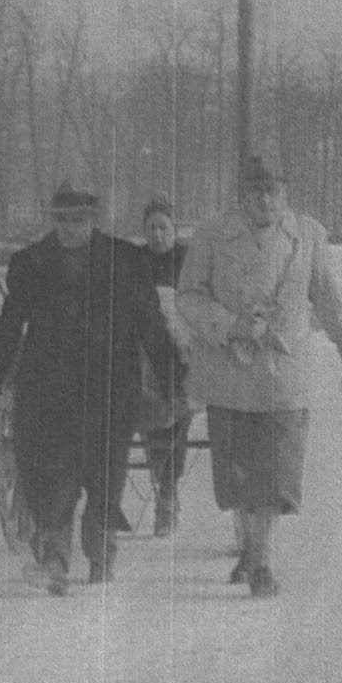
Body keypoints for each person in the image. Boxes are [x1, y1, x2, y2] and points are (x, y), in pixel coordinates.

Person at [0, 181, 176, 595]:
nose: (70, 228)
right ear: (53, 219)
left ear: (94, 218)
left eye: (79, 220)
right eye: (63, 220)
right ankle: (55, 559)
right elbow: (10, 327)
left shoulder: (126, 260)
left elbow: (151, 325)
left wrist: (173, 380)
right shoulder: (31, 263)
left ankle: (101, 551)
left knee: (106, 478)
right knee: (52, 478)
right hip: (49, 390)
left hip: (110, 390)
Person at [177, 156, 342, 598]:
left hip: (285, 378)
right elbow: (188, 297)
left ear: (285, 192)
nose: (265, 200)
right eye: (256, 191)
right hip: (231, 375)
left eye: (273, 190)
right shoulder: (212, 236)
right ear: (240, 195)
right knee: (239, 478)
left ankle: (261, 559)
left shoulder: (308, 236)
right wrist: (231, 325)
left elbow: (331, 302)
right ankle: (251, 548)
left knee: (276, 476)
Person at [139, 196, 195, 538]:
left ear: (175, 230)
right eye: (151, 228)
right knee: (150, 411)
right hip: (146, 351)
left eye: (163, 228)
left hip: (183, 350)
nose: (157, 235)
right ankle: (164, 490)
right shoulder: (135, 262)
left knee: (176, 417)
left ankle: (168, 491)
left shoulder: (189, 260)